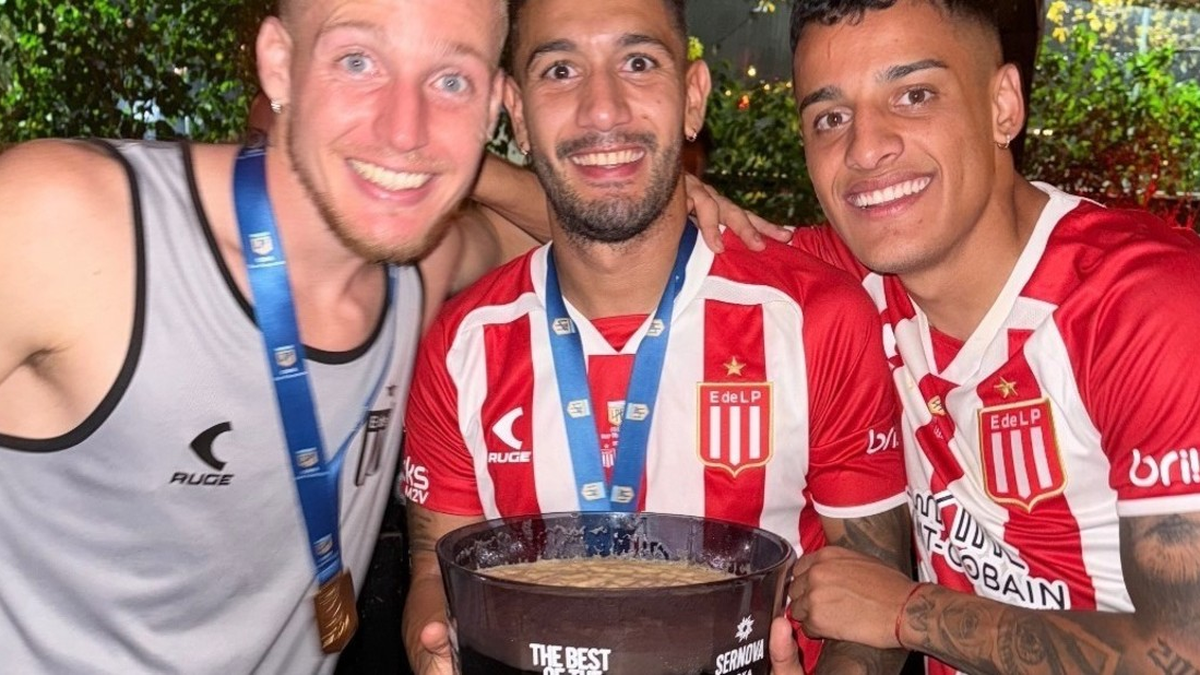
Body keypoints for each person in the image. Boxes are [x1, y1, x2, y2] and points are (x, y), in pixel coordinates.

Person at [0, 0, 521, 672]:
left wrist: (457, 159)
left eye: (451, 81)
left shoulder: (424, 262)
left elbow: (583, 231)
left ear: (494, 105)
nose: (404, 128)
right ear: (279, 64)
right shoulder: (66, 219)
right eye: (357, 62)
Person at [399, 1, 913, 674]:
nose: (602, 109)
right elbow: (431, 567)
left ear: (692, 97)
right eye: (560, 70)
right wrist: (432, 650)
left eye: (638, 63)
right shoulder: (459, 343)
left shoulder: (818, 316)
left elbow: (872, 590)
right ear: (517, 114)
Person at [773, 1, 1200, 673]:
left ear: (1004, 106)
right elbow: (657, 242)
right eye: (830, 117)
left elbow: (1185, 652)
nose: (865, 148)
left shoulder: (1147, 306)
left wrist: (906, 611)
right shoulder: (849, 275)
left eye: (914, 95)